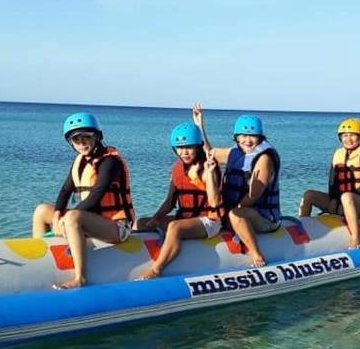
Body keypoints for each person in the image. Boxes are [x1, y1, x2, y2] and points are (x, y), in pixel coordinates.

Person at [32, 112, 135, 289]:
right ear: (71, 143)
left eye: (86, 137)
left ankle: (80, 278)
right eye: (76, 139)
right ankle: (41, 261)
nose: (82, 143)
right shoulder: (80, 162)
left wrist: (66, 219)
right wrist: (57, 215)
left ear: (97, 137)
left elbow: (97, 194)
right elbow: (65, 191)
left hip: (117, 227)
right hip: (92, 220)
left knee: (72, 217)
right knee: (42, 211)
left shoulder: (110, 162)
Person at [192, 105, 281, 268]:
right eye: (243, 135)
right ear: (237, 137)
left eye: (253, 136)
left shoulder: (264, 158)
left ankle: (256, 254)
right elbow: (208, 151)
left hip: (264, 217)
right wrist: (199, 126)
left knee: (235, 215)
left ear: (260, 137)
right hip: (241, 212)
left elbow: (254, 196)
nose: (248, 140)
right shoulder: (235, 152)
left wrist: (230, 215)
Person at [137, 122, 222, 279]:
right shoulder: (177, 168)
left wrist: (210, 174)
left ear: (198, 147)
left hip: (208, 222)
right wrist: (154, 220)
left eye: (189, 147)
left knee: (174, 227)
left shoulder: (207, 168)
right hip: (186, 218)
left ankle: (156, 270)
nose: (184, 152)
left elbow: (215, 202)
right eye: (179, 147)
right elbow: (170, 202)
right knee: (142, 222)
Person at [298, 118, 360, 249]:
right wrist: (334, 200)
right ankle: (299, 230)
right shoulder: (338, 154)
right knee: (309, 194)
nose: (348, 139)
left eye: (352, 135)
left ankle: (356, 238)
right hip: (342, 202)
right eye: (345, 135)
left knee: (347, 196)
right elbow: (332, 182)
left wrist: (346, 198)